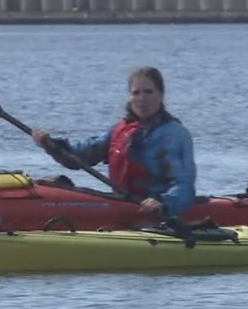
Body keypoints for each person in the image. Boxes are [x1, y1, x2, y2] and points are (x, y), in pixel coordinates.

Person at [31, 67, 197, 219]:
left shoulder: (174, 135)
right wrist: (50, 144)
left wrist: (163, 204)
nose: (142, 98)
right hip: (124, 208)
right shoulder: (120, 130)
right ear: (130, 97)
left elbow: (184, 184)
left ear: (160, 96)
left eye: (148, 92)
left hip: (159, 212)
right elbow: (80, 157)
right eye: (136, 93)